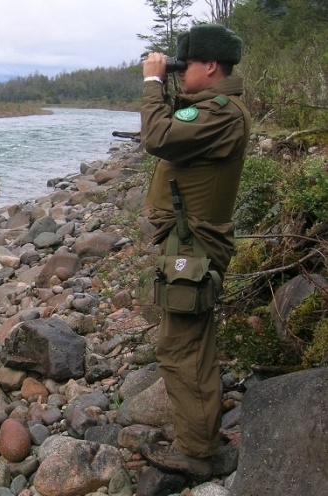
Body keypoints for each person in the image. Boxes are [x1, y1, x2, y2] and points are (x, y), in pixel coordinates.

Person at [139, 24, 251, 480]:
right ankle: (201, 435)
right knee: (192, 342)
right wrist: (164, 83)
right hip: (190, 240)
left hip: (194, 244)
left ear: (210, 66)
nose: (181, 75)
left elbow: (159, 137)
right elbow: (177, 122)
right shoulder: (212, 108)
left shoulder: (223, 113)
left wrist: (151, 82)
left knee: (180, 345)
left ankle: (196, 452)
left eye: (187, 67)